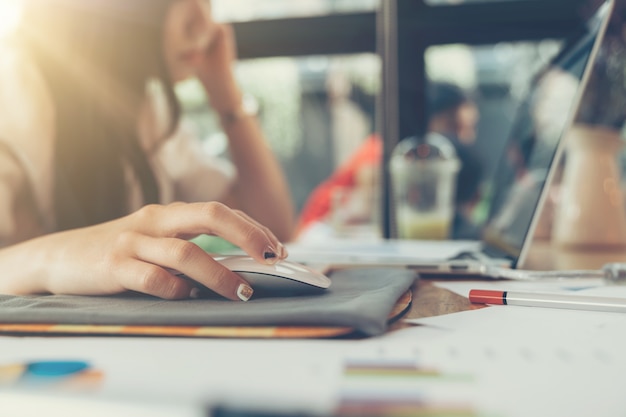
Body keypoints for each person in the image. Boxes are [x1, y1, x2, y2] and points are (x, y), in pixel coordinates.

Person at [0, 0, 295, 301]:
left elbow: (271, 230)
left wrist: (227, 95)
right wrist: (56, 257)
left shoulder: (149, 111)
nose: (205, 25)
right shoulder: (10, 90)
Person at [296, 80, 484, 240]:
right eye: (454, 127)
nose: (463, 138)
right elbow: (364, 207)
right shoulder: (383, 152)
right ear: (425, 120)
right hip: (316, 233)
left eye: (470, 128)